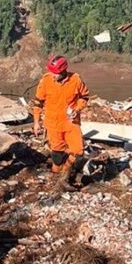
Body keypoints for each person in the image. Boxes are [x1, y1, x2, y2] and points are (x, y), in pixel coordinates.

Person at [32, 56, 91, 190]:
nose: (53, 75)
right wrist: (36, 122)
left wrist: (77, 109)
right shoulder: (46, 81)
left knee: (78, 152)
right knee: (57, 154)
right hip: (53, 124)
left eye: (55, 73)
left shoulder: (75, 80)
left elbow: (84, 97)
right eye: (51, 72)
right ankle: (55, 174)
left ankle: (65, 175)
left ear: (63, 71)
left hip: (71, 122)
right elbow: (38, 102)